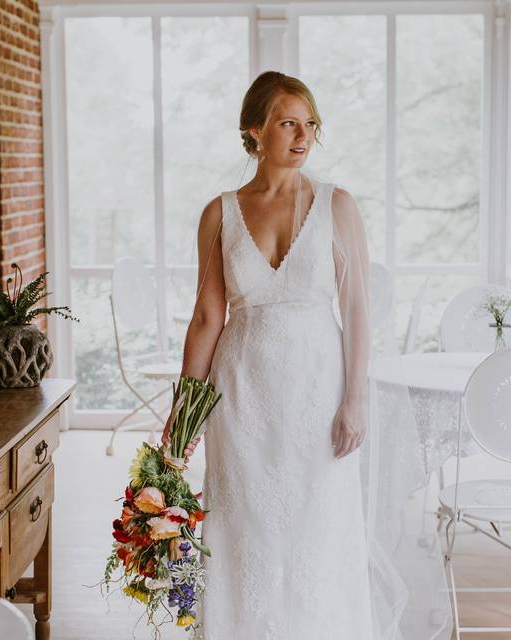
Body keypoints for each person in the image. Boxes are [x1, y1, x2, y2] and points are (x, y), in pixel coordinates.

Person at [161, 70, 373, 639]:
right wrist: (184, 418)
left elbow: (356, 312)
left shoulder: (339, 206)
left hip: (317, 393)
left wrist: (355, 401)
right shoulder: (220, 212)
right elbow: (208, 317)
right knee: (242, 531)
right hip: (242, 396)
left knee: (316, 531)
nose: (302, 136)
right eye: (288, 123)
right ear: (254, 130)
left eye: (310, 125)